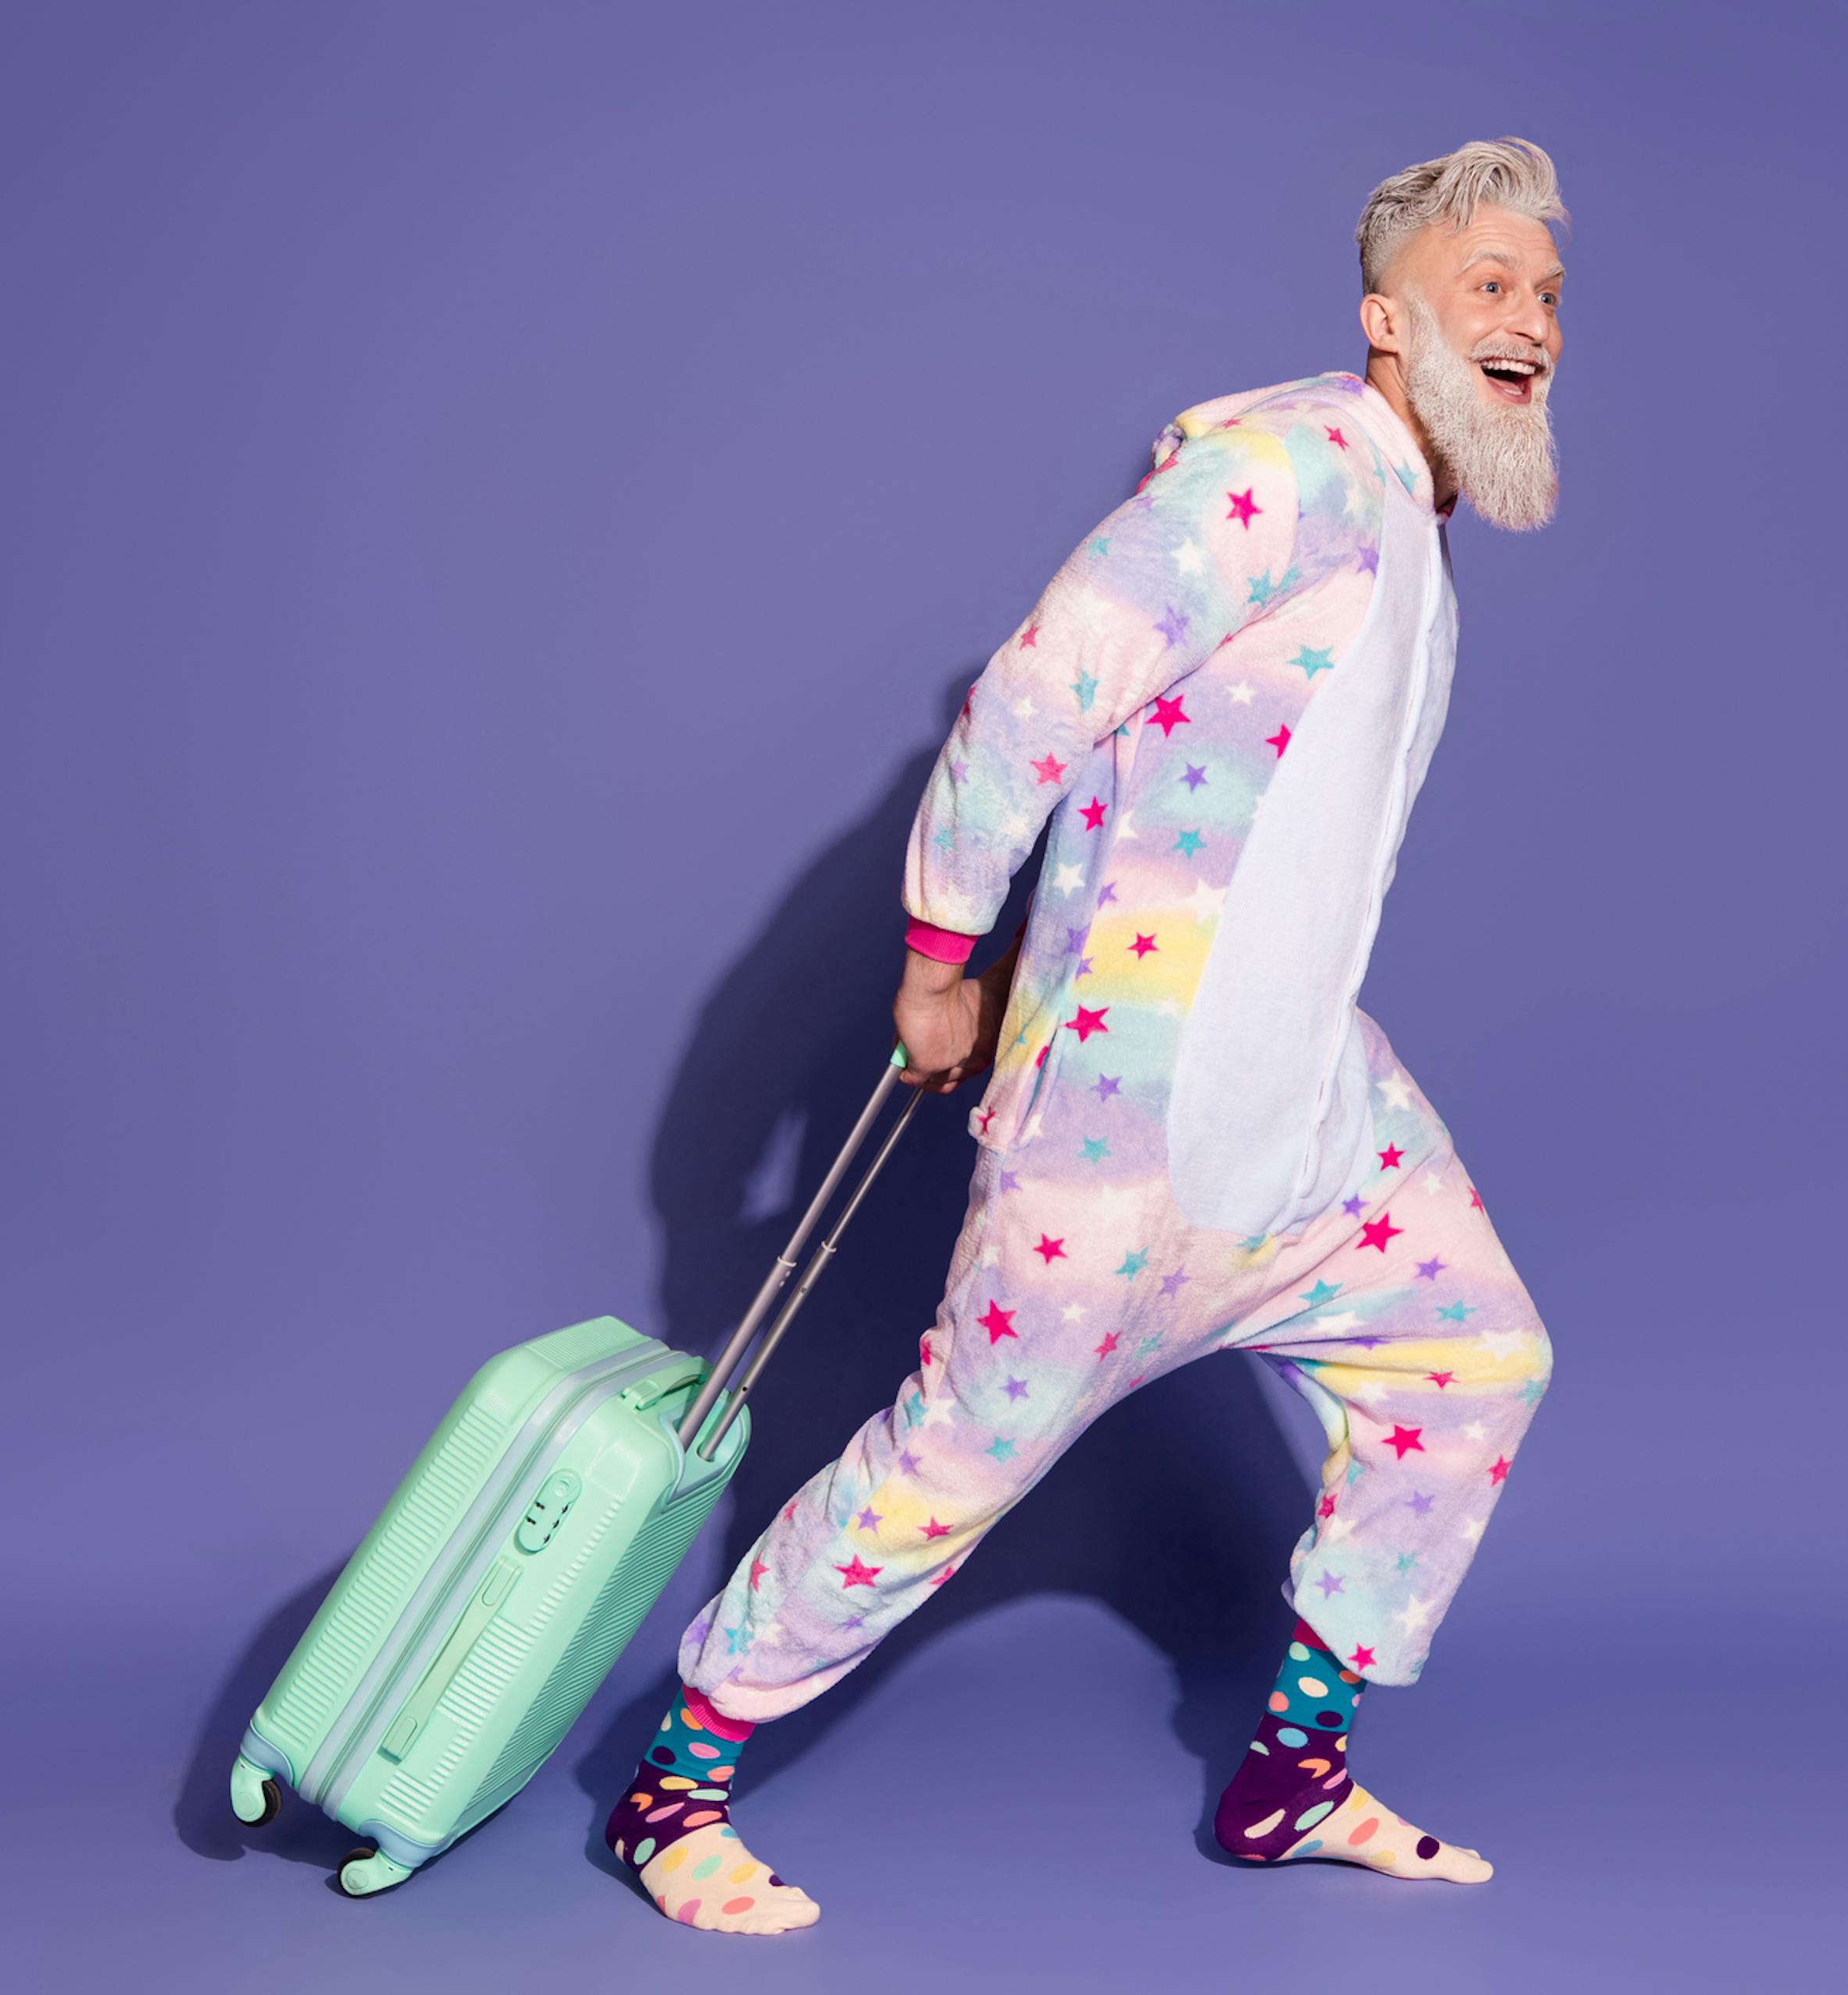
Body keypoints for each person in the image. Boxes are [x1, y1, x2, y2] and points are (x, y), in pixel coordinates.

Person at [607, 137, 1570, 1934]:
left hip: (1307, 1107)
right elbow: (1038, 694)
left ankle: (1294, 1775)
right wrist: (938, 959)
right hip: (1121, 1133)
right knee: (947, 1466)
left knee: (1474, 1356)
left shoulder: (1402, 514)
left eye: (1546, 294)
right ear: (1388, 321)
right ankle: (672, 1787)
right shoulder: (1283, 472)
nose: (1530, 323)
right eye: (1488, 286)